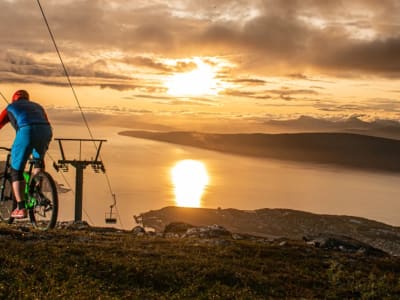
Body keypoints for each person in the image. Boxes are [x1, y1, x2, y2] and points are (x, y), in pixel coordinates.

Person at [0, 90, 52, 218]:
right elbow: (44, 121)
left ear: (14, 99)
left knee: (16, 171)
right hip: (46, 131)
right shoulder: (38, 106)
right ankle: (37, 190)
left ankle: (21, 208)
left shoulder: (10, 108)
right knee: (38, 160)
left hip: (26, 132)